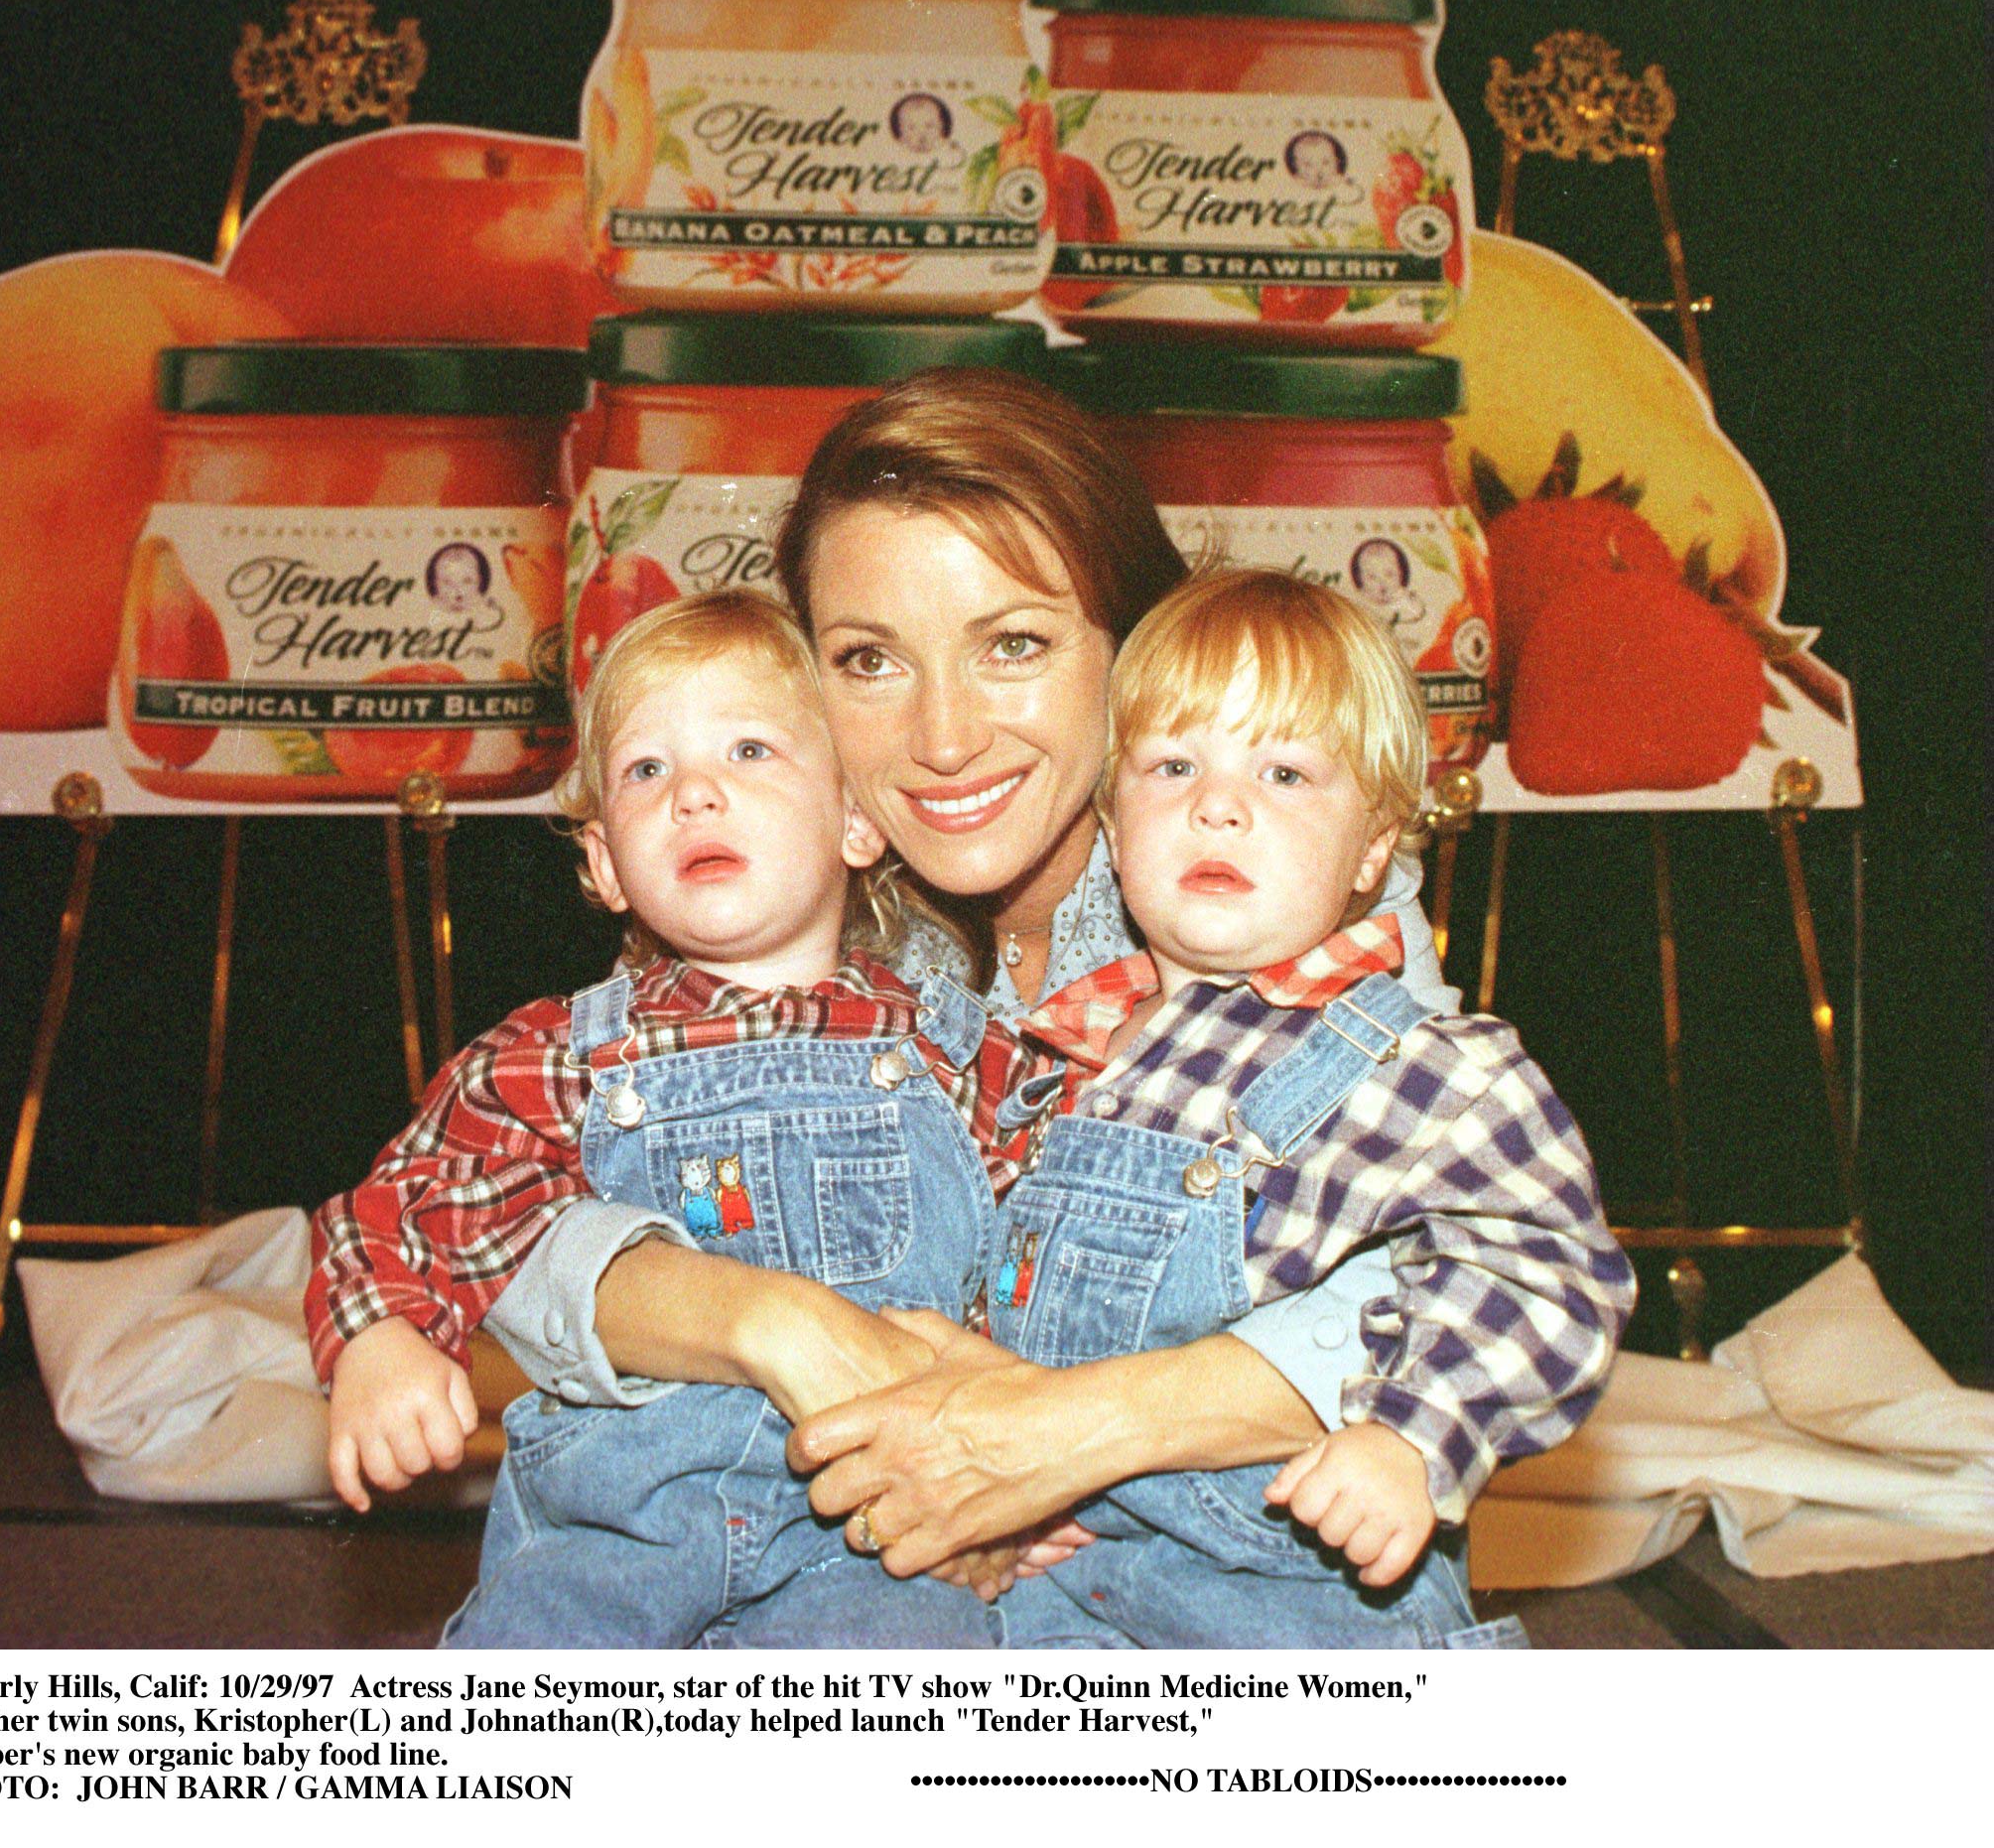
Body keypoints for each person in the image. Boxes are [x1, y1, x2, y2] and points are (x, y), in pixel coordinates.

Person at [486, 371, 1477, 1610]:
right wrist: (782, 1330)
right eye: (868, 661)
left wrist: (1050, 1436)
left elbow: (1449, 1283)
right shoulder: (779, 902)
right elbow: (508, 1230)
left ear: (1132, 647)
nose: (942, 737)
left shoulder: (1285, 889)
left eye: (1013, 645)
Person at [805, 569, 1634, 1648]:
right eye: (1173, 765)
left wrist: (1415, 1436)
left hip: (1291, 1604)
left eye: (1286, 772)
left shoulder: (1416, 1061)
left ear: (1375, 848)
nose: (1219, 802)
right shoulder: (1061, 1055)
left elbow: (1551, 1271)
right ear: (1112, 822)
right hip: (1059, 1598)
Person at [308, 592, 1042, 1646]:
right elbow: (407, 1208)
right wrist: (382, 1339)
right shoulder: (559, 1053)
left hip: (875, 1554)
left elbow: (1053, 1263)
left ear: (855, 821)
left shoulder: (960, 1053)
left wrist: (1033, 1453)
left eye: (749, 751)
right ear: (605, 863)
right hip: (607, 1550)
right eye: (647, 771)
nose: (695, 794)